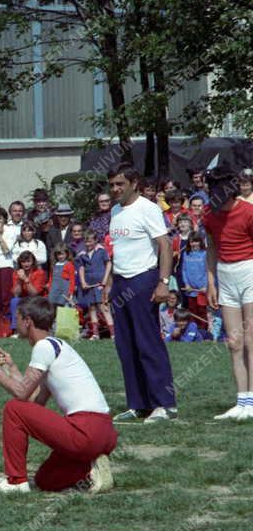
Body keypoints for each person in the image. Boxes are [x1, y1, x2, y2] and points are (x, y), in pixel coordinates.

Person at [0, 297, 116, 495]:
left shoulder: (43, 347)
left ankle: (16, 481)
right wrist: (10, 369)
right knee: (45, 479)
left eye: (17, 318)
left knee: (13, 409)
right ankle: (91, 471)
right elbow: (34, 401)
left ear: (28, 321)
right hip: (104, 432)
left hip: (85, 429)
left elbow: (21, 395)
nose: (15, 324)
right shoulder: (56, 346)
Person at [104, 163, 177, 424]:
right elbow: (119, 250)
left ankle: (164, 404)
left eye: (120, 184)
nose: (115, 189)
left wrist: (163, 282)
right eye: (112, 185)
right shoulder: (115, 211)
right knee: (125, 346)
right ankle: (138, 404)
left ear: (134, 184)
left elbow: (165, 245)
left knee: (148, 343)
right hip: (121, 282)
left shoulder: (148, 208)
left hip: (143, 279)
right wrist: (110, 283)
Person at [203, 167, 253, 420]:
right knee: (234, 342)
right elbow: (212, 248)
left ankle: (252, 402)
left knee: (251, 340)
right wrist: (211, 283)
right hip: (225, 273)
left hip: (249, 270)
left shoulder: (248, 212)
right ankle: (241, 402)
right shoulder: (209, 215)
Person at [75, 231, 114, 340]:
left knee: (104, 307)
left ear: (96, 241)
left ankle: (113, 333)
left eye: (90, 241)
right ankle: (95, 334)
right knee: (91, 308)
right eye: (86, 242)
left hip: (100, 283)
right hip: (88, 284)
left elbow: (108, 263)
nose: (88, 244)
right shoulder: (82, 254)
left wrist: (105, 279)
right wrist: (83, 282)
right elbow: (81, 268)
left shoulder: (101, 251)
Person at [0, 207, 16, 336]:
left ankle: (7, 326)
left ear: (4, 219)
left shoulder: (10, 231)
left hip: (5, 266)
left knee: (6, 297)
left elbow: (6, 250)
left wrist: (0, 235)